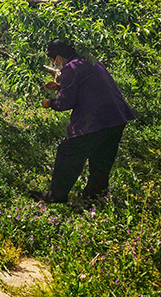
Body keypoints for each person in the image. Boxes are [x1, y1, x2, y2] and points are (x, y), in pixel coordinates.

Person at [31, 39, 135, 204]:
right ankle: (95, 196)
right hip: (116, 117)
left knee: (68, 153)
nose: (53, 63)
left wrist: (49, 103)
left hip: (96, 120)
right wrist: (60, 87)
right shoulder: (88, 60)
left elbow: (65, 103)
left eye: (52, 59)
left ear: (58, 57)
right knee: (102, 158)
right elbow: (88, 85)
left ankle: (55, 196)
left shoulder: (70, 68)